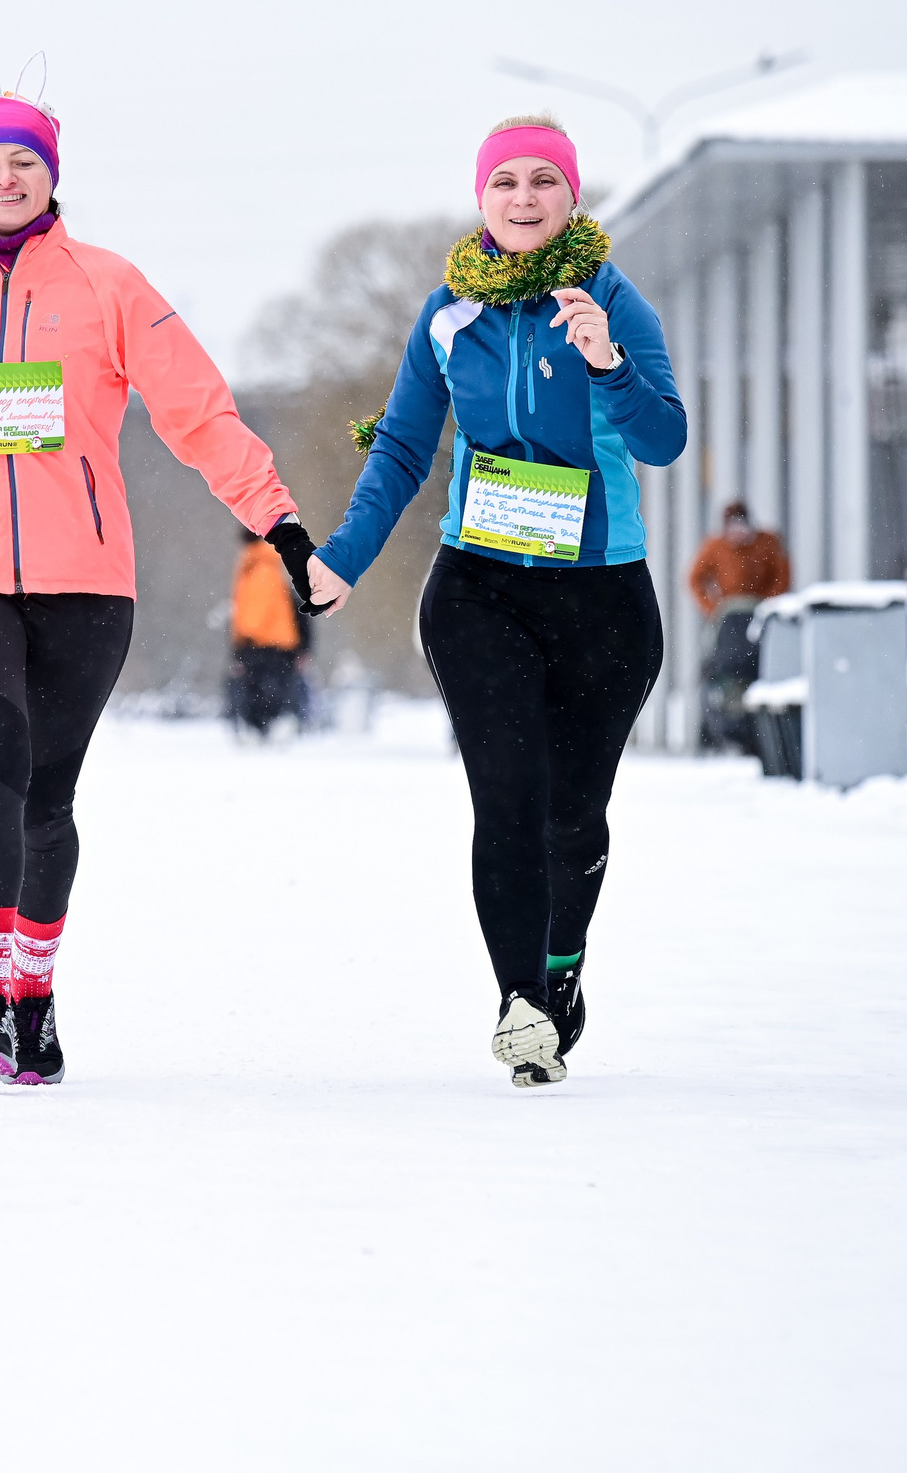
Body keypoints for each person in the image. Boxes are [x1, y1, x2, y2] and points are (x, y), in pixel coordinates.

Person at [0, 88, 318, 1085]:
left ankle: (34, 995)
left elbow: (197, 412)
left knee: (47, 790)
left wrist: (274, 515)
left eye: (23, 160)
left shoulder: (111, 287)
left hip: (86, 578)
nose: (5, 177)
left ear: (53, 174)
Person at [302, 113, 686, 1087]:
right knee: (507, 798)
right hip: (480, 587)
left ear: (570, 196)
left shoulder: (610, 299)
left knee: (575, 814)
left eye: (541, 182)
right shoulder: (445, 314)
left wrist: (606, 361)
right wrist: (341, 556)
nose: (522, 197)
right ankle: (520, 1002)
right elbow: (399, 445)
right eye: (504, 182)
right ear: (482, 199)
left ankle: (560, 967)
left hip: (601, 596)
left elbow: (663, 438)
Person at [688, 501, 791, 753]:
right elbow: (695, 579)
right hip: (727, 619)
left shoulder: (767, 542)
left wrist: (768, 604)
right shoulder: (715, 546)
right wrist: (714, 608)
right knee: (717, 670)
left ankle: (757, 733)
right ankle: (714, 731)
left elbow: (782, 574)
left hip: (758, 616)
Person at [228, 525, 309, 737]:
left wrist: (242, 641)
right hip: (277, 642)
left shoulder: (258, 567)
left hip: (264, 643)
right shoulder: (263, 564)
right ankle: (270, 729)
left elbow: (254, 610)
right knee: (273, 692)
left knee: (263, 694)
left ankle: (266, 731)